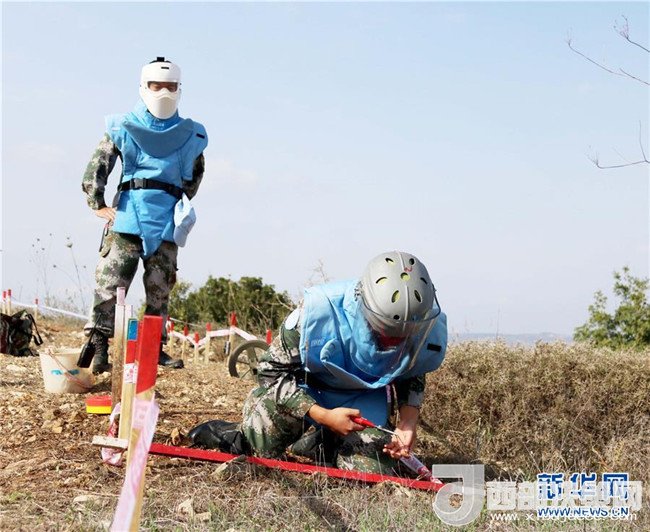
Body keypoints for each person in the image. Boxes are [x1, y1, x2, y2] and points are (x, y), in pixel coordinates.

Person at [191, 251, 447, 474]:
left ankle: (321, 442)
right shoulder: (316, 314)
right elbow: (270, 374)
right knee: (262, 448)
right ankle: (239, 434)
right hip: (307, 393)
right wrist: (323, 416)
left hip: (362, 405)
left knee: (372, 471)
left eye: (403, 337)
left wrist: (407, 422)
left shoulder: (421, 323)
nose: (394, 342)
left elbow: (412, 370)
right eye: (387, 333)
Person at [81, 57, 208, 374]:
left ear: (179, 88)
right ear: (143, 86)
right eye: (156, 85)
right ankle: (98, 346)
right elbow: (97, 167)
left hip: (165, 223)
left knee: (159, 289)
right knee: (110, 285)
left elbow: (194, 178)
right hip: (127, 218)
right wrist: (97, 203)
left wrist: (176, 204)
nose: (163, 92)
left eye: (170, 86)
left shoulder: (192, 135)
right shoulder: (121, 126)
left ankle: (152, 349)